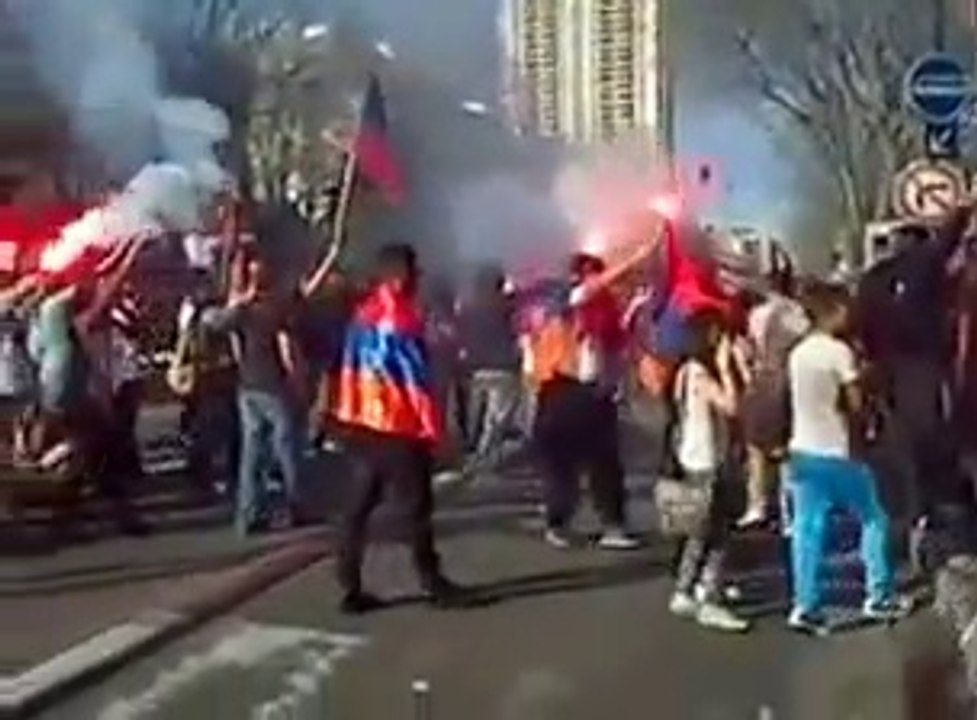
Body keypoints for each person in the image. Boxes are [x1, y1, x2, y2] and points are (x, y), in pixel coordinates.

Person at [332, 243, 467, 614]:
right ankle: (433, 583)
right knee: (416, 511)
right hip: (400, 431)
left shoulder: (362, 315)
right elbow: (415, 382)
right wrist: (436, 434)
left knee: (356, 512)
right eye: (415, 273)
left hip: (362, 426)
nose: (418, 281)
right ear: (401, 276)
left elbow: (347, 369)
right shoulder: (405, 319)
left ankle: (349, 587)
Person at [787, 282, 911, 634]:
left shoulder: (798, 353)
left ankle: (805, 605)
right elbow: (855, 404)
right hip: (837, 451)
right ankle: (878, 595)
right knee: (874, 519)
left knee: (807, 531)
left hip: (802, 451)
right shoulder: (838, 353)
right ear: (833, 312)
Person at [856, 207, 972, 573]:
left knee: (899, 455)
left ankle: (909, 525)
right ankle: (937, 526)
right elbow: (946, 241)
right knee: (936, 444)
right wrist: (964, 205)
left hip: (888, 373)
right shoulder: (925, 265)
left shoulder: (872, 279)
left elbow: (861, 328)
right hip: (925, 369)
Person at [530, 242, 656, 551]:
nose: (602, 282)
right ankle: (557, 522)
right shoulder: (564, 299)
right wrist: (639, 255)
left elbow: (612, 345)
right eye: (593, 276)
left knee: (606, 465)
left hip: (595, 395)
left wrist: (636, 306)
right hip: (563, 392)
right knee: (563, 468)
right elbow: (591, 293)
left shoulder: (601, 310)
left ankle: (613, 525)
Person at [204, 246, 307, 536]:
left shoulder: (244, 309)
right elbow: (287, 347)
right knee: (287, 449)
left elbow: (215, 324)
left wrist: (237, 302)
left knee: (253, 453)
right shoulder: (277, 307)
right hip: (274, 384)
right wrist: (298, 380)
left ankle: (248, 515)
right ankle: (294, 507)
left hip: (248, 386)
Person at [668, 310, 750, 632]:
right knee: (717, 533)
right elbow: (731, 406)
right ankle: (709, 599)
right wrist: (730, 370)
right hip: (707, 461)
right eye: (718, 334)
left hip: (691, 456)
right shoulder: (701, 374)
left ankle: (686, 589)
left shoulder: (684, 371)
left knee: (697, 532)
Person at [739, 265, 810, 527]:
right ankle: (788, 508)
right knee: (787, 450)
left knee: (756, 446)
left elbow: (751, 349)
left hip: (761, 380)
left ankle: (756, 504)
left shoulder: (758, 314)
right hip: (790, 381)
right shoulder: (798, 314)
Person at [458, 264, 522, 475]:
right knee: (497, 418)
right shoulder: (503, 304)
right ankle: (484, 458)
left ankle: (474, 453)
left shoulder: (466, 306)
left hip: (476, 368)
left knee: (478, 415)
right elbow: (520, 303)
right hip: (503, 368)